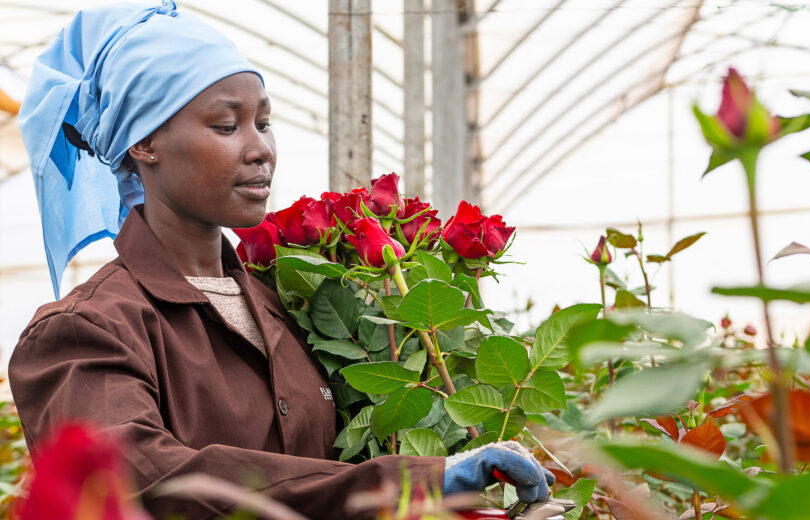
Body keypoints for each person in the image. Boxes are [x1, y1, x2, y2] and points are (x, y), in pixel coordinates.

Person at [9, 2, 554, 518]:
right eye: (226, 126)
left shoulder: (284, 304)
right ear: (144, 144)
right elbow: (150, 483)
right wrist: (413, 481)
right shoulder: (85, 331)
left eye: (263, 123)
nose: (260, 149)